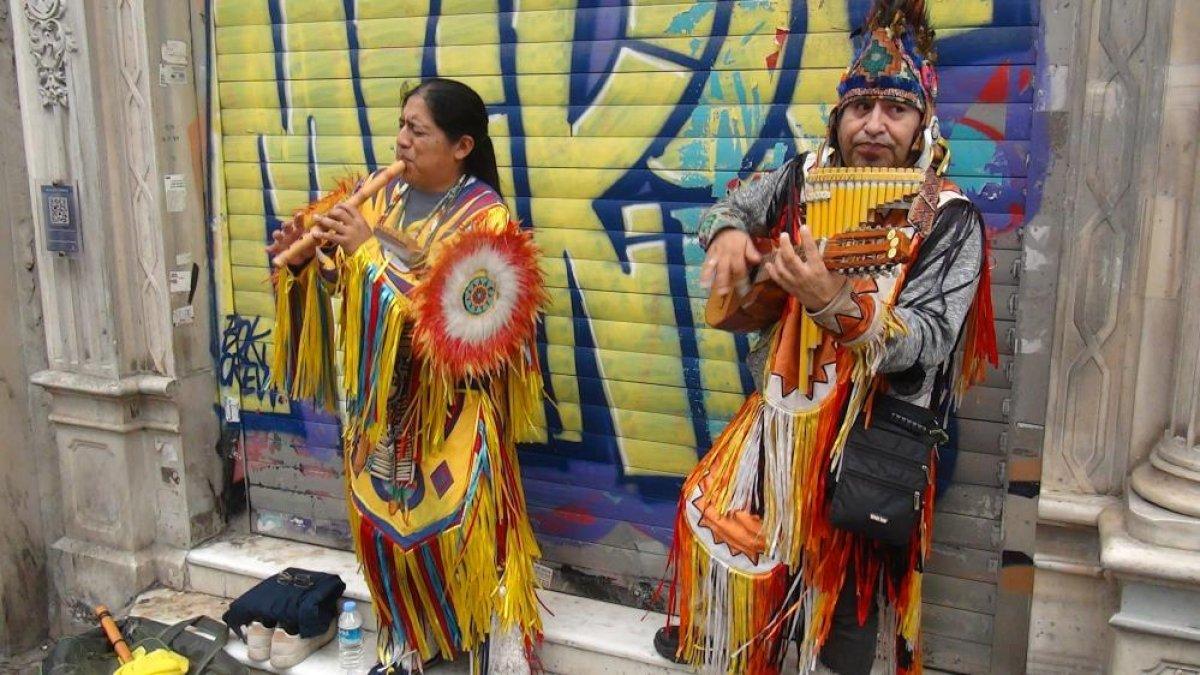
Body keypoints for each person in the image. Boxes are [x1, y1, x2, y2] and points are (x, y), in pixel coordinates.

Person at [655, 1, 997, 673]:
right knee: (720, 520)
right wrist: (726, 233)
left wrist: (833, 303)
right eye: (858, 106)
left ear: (923, 122)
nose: (873, 125)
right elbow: (729, 205)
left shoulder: (953, 217)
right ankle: (740, 646)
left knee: (846, 597)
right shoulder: (799, 176)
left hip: (875, 436)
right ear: (836, 117)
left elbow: (926, 341)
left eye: (895, 109)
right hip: (781, 420)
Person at [267, 78, 544, 674]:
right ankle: (405, 645)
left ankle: (477, 651)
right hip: (383, 418)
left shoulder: (488, 224)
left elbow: (453, 327)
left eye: (418, 131)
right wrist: (314, 268)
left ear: (462, 145)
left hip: (451, 417)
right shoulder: (381, 201)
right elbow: (351, 302)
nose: (402, 141)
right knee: (386, 542)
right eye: (402, 126)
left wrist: (366, 255)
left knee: (455, 544)